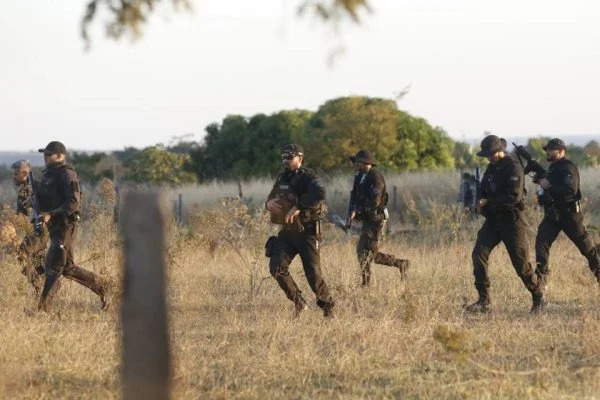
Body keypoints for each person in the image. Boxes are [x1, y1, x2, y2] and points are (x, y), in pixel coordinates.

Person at [466, 135, 545, 313]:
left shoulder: (514, 167)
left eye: (490, 154)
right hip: (493, 220)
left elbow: (513, 197)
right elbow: (484, 190)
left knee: (521, 265)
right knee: (478, 254)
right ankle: (484, 300)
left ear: (499, 151)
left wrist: (489, 201)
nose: (488, 158)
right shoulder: (491, 168)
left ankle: (538, 295)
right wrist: (480, 202)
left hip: (512, 221)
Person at [36, 141, 108, 311]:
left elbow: (73, 203)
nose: (45, 157)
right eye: (44, 154)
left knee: (54, 266)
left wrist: (52, 214)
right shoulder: (48, 175)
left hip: (65, 226)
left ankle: (42, 308)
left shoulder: (66, 174)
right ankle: (107, 288)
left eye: (49, 154)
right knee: (68, 268)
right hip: (54, 227)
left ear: (60, 156)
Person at [266, 144, 335, 318]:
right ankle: (299, 302)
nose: (285, 161)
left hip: (307, 232)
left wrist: (298, 207)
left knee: (313, 273)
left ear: (300, 159)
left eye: (289, 157)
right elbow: (271, 196)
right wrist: (268, 204)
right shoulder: (282, 177)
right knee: (276, 267)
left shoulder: (309, 177)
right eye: (283, 157)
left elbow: (320, 193)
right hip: (287, 233)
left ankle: (328, 308)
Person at [535, 138, 600, 286]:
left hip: (569, 215)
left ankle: (599, 272)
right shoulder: (552, 168)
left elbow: (570, 190)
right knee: (541, 243)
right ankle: (541, 283)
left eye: (551, 150)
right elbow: (547, 190)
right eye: (547, 150)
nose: (548, 152)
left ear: (561, 151)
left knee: (586, 248)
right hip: (553, 215)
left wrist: (548, 187)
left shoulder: (568, 168)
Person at [347, 150, 409, 287]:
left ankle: (366, 283)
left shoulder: (375, 177)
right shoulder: (360, 177)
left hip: (376, 219)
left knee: (364, 251)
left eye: (358, 162)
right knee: (367, 252)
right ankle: (400, 264)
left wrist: (358, 210)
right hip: (368, 219)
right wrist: (353, 210)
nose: (355, 164)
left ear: (365, 163)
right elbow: (356, 197)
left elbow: (375, 200)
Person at [11, 160, 47, 295]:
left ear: (25, 173)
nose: (13, 177)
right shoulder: (24, 189)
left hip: (39, 230)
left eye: (16, 174)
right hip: (34, 231)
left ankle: (40, 286)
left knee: (21, 256)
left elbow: (32, 213)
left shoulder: (31, 189)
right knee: (39, 264)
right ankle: (43, 291)